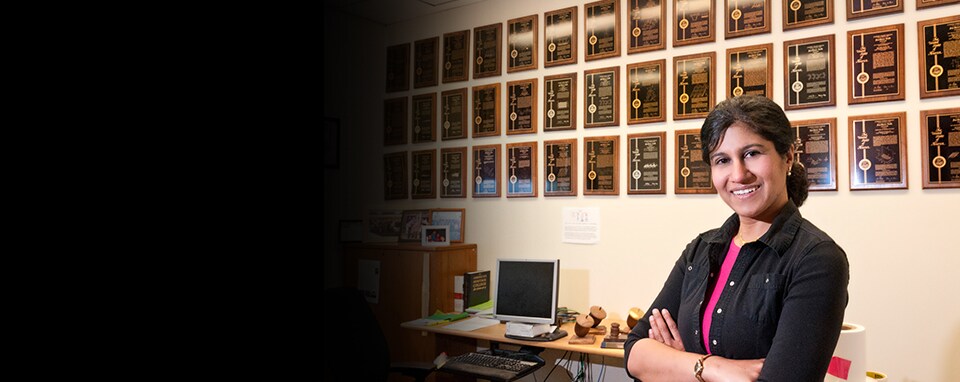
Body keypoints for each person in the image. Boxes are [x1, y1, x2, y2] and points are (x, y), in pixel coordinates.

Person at [624, 95, 849, 381]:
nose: (738, 174)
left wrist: (674, 364)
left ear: (788, 157)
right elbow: (634, 352)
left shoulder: (817, 260)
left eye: (752, 153)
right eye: (722, 160)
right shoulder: (700, 251)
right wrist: (712, 368)